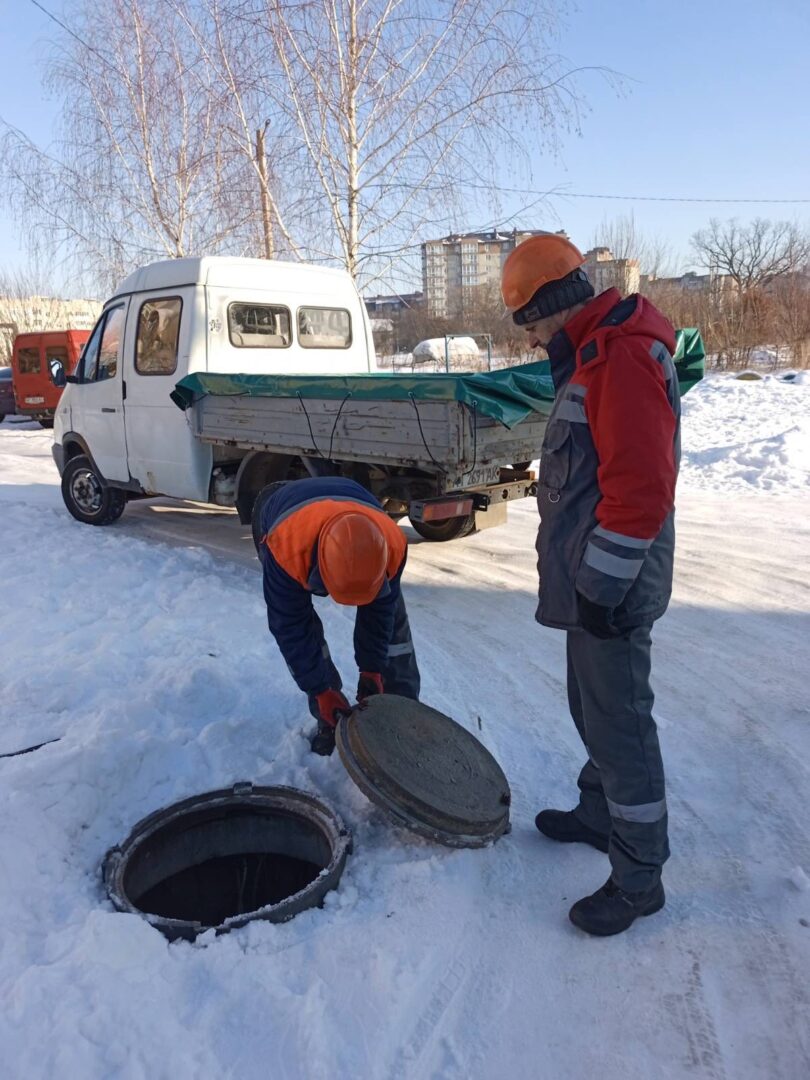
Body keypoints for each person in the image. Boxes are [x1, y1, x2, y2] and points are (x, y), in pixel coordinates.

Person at [501, 234, 680, 937]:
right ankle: (600, 813)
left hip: (614, 584)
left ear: (555, 304)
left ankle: (639, 879)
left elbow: (640, 492)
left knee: (621, 724)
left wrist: (602, 590)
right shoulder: (593, 353)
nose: (532, 337)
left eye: (531, 321)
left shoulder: (620, 357)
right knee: (590, 705)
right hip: (592, 578)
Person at [258, 476, 420, 755]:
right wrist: (320, 689)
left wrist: (372, 668)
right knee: (304, 629)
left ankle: (401, 718)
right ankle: (329, 715)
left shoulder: (393, 545)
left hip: (355, 504)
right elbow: (291, 628)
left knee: (394, 628)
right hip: (284, 512)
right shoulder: (285, 549)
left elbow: (380, 614)